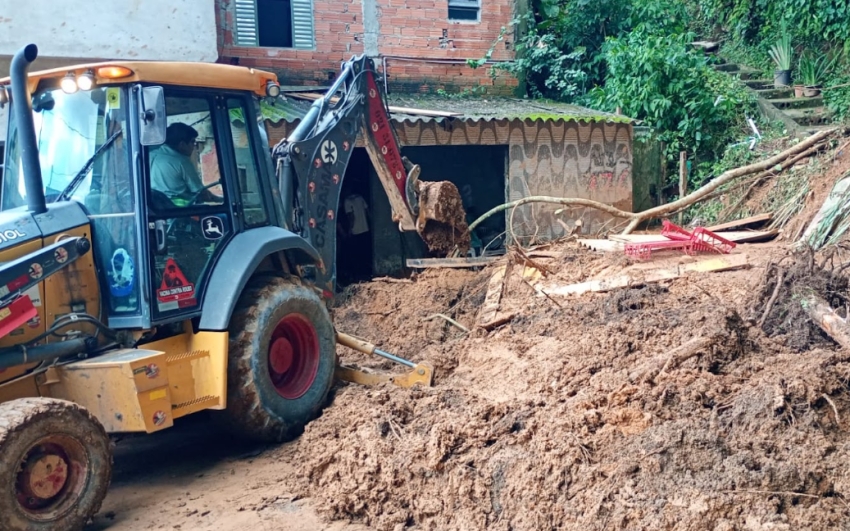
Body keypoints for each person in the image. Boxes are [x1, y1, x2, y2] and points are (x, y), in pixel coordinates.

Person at [150, 123, 216, 207]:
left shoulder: (150, 155)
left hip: (156, 208)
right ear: (182, 145)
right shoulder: (181, 161)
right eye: (192, 142)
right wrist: (218, 199)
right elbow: (201, 192)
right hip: (178, 211)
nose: (194, 146)